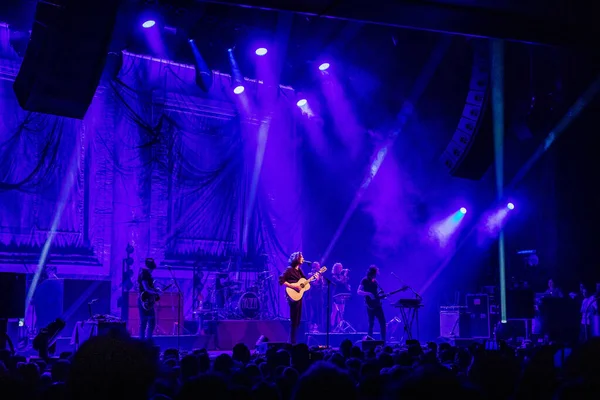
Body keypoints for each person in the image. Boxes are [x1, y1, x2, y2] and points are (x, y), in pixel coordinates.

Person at [279, 251, 308, 344]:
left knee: (297, 318)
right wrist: (293, 286)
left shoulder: (299, 271)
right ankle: (291, 341)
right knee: (294, 318)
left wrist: (314, 278)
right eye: (301, 256)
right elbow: (281, 280)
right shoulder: (289, 269)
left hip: (298, 296)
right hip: (291, 294)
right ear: (297, 258)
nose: (303, 258)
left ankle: (293, 340)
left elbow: (304, 282)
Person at [357, 265, 386, 343]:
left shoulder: (375, 281)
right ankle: (369, 342)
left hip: (378, 304)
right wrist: (368, 293)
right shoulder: (364, 280)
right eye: (375, 274)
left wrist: (381, 296)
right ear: (371, 273)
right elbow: (358, 291)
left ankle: (383, 341)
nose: (375, 275)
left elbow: (376, 293)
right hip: (370, 305)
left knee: (383, 323)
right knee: (371, 323)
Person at [138, 258, 158, 341]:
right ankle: (144, 342)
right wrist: (156, 293)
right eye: (152, 269)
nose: (152, 271)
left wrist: (155, 289)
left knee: (148, 321)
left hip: (147, 300)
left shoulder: (146, 274)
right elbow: (146, 288)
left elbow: (149, 287)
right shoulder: (144, 275)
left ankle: (146, 341)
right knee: (146, 321)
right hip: (144, 300)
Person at [331, 263, 351, 329]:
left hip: (342, 296)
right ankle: (332, 327)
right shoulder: (334, 276)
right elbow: (339, 283)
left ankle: (339, 328)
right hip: (335, 296)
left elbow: (345, 284)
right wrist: (344, 276)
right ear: (336, 269)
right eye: (339, 267)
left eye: (341, 267)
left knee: (341, 312)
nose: (341, 269)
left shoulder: (341, 276)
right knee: (335, 312)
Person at [307, 262, 324, 332]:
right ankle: (312, 326)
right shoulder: (310, 274)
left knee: (319, 310)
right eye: (316, 267)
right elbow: (314, 284)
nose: (318, 268)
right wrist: (317, 276)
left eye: (318, 266)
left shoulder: (320, 275)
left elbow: (322, 284)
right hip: (312, 295)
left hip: (319, 295)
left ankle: (318, 326)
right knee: (314, 311)